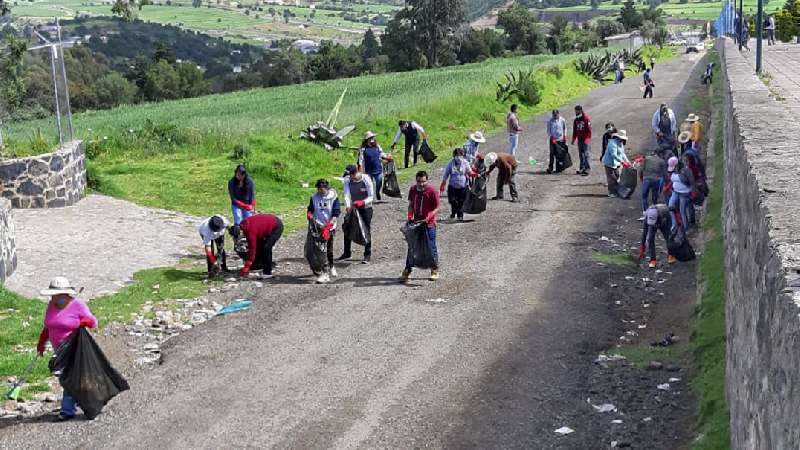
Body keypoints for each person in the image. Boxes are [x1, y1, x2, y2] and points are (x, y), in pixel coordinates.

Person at [36, 277, 98, 421]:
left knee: (68, 377)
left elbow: (93, 322)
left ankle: (67, 410)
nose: (53, 298)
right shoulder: (51, 305)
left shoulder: (77, 305)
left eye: (57, 295)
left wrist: (82, 322)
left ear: (66, 294)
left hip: (75, 348)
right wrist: (42, 342)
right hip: (59, 350)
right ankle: (83, 400)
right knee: (71, 377)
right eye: (53, 295)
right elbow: (49, 326)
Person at [400, 171, 440, 282]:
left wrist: (430, 215)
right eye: (419, 181)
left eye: (423, 182)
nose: (421, 184)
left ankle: (434, 269)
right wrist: (410, 215)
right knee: (412, 247)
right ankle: (408, 270)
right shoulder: (413, 190)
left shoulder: (432, 191)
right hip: (416, 223)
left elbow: (437, 207)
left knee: (431, 247)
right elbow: (411, 205)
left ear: (427, 180)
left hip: (429, 224)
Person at [339, 165, 375, 264]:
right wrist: (347, 206)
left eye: (350, 175)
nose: (348, 177)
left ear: (355, 173)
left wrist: (363, 202)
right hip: (354, 208)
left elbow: (371, 196)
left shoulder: (366, 179)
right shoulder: (347, 180)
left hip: (366, 208)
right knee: (347, 228)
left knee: (366, 229)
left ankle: (367, 254)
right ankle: (347, 252)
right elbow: (346, 194)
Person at [307, 179, 340, 284]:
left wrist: (329, 225)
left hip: (329, 226)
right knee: (320, 250)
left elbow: (336, 212)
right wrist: (309, 214)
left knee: (329, 249)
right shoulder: (314, 197)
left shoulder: (333, 197)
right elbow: (311, 209)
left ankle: (331, 266)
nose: (320, 191)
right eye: (319, 189)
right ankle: (324, 273)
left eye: (322, 189)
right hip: (318, 226)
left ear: (327, 188)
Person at [238, 213, 283, 279]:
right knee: (259, 246)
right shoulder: (243, 224)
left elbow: (252, 248)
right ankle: (259, 265)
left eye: (239, 236)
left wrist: (247, 265)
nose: (240, 238)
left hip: (276, 226)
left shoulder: (250, 232)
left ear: (240, 232)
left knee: (266, 248)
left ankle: (267, 272)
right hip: (265, 226)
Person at [639, 204, 677, 269]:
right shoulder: (647, 216)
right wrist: (642, 248)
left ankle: (671, 255)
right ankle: (652, 260)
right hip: (655, 223)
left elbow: (674, 208)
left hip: (665, 221)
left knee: (668, 237)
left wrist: (678, 219)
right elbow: (644, 233)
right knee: (650, 239)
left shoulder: (664, 211)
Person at [358, 131, 391, 202]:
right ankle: (370, 198)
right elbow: (360, 160)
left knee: (379, 183)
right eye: (370, 138)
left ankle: (377, 192)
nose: (372, 139)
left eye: (372, 137)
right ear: (367, 139)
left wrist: (387, 157)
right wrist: (360, 170)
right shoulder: (363, 149)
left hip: (378, 168)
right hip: (368, 170)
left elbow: (381, 153)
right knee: (369, 185)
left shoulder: (377, 146)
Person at [440, 148, 471, 221]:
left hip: (463, 186)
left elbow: (469, 172)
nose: (458, 157)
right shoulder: (450, 163)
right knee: (452, 201)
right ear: (454, 156)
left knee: (461, 201)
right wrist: (443, 184)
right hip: (453, 186)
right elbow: (446, 174)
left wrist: (475, 174)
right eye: (457, 155)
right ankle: (453, 213)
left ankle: (460, 216)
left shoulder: (465, 163)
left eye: (460, 155)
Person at [601, 129, 631, 198]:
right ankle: (611, 192)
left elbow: (623, 154)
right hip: (609, 163)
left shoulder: (620, 143)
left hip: (616, 163)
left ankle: (615, 191)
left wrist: (628, 162)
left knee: (616, 176)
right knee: (611, 178)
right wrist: (622, 162)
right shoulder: (612, 143)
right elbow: (613, 155)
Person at [638, 149, 666, 220]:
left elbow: (641, 169)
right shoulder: (662, 161)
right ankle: (654, 214)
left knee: (644, 197)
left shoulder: (647, 159)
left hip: (646, 179)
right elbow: (664, 174)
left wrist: (641, 178)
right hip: (656, 180)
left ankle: (645, 213)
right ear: (661, 154)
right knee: (654, 198)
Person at [668, 156, 694, 232]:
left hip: (684, 193)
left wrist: (692, 192)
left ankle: (686, 228)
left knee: (682, 210)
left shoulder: (685, 170)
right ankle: (674, 224)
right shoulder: (673, 171)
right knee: (670, 206)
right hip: (675, 192)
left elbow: (691, 181)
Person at [228, 164, 256, 234]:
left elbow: (252, 195)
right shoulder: (231, 182)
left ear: (244, 175)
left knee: (249, 221)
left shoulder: (250, 182)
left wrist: (252, 206)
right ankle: (237, 238)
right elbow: (233, 198)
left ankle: (248, 237)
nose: (238, 176)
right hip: (236, 204)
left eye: (240, 175)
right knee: (238, 221)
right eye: (237, 174)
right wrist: (243, 206)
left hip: (247, 204)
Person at [571, 105, 592, 176]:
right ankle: (582, 168)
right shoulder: (576, 120)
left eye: (577, 110)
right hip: (579, 140)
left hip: (585, 139)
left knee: (586, 154)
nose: (576, 112)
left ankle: (587, 168)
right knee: (581, 154)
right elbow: (575, 130)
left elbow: (589, 131)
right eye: (575, 110)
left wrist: (587, 139)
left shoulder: (586, 119)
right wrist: (573, 139)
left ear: (580, 110)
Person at [546, 109, 567, 174]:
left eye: (556, 115)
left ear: (558, 114)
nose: (555, 116)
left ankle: (559, 168)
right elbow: (548, 130)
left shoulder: (562, 120)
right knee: (552, 154)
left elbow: (565, 128)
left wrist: (565, 136)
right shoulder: (550, 121)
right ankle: (550, 167)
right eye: (554, 115)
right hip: (553, 140)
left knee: (559, 154)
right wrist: (551, 137)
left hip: (560, 139)